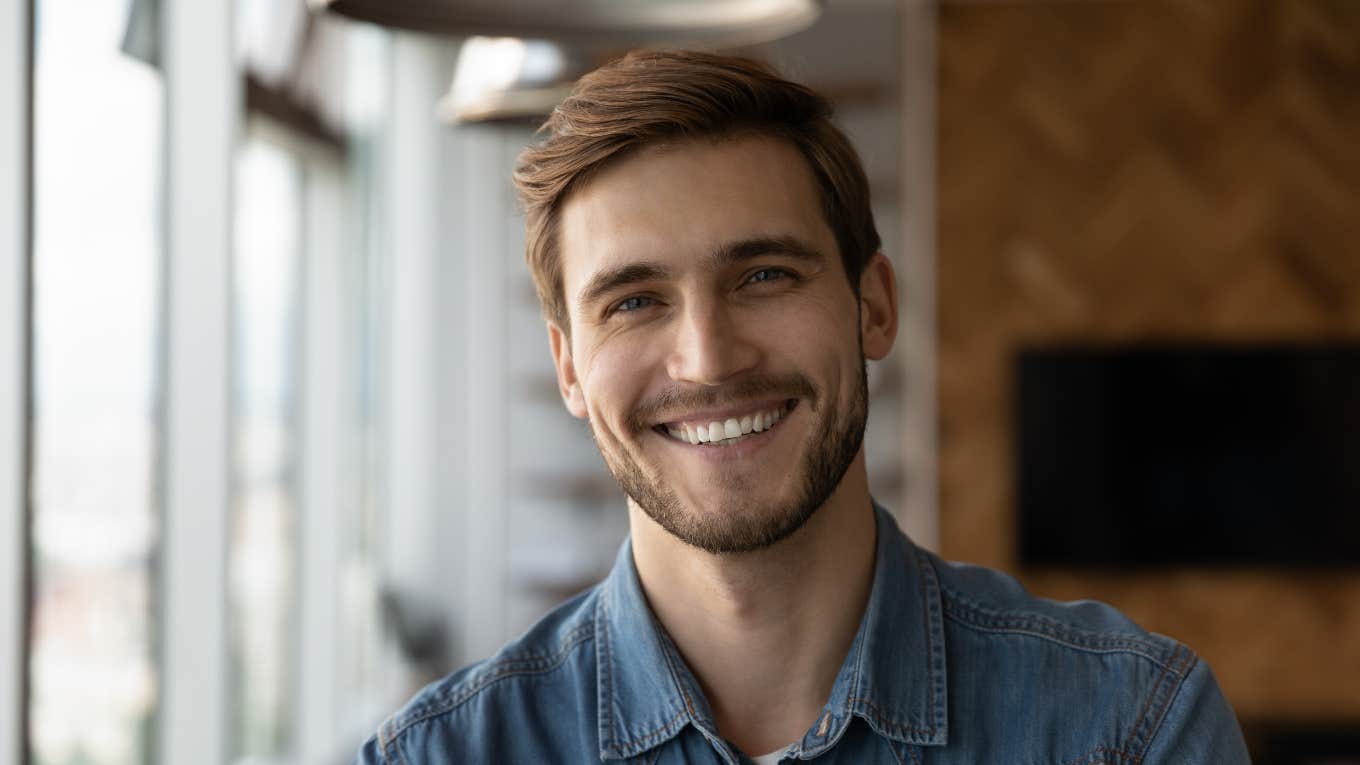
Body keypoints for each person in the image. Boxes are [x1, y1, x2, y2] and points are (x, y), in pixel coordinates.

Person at [355, 50, 1251, 764]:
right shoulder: (439, 754)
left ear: (874, 305)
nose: (709, 358)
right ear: (569, 368)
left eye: (765, 275)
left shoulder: (1131, 729)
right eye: (634, 299)